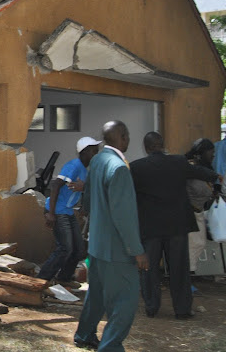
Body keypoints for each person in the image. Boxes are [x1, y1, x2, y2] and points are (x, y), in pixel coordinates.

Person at [74, 121, 148, 351]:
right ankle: (110, 346)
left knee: (96, 294)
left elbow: (87, 199)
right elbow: (123, 215)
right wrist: (137, 250)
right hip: (117, 250)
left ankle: (85, 334)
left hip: (96, 245)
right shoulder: (118, 168)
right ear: (124, 137)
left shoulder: (97, 160)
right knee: (125, 302)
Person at [130, 132, 218, 320]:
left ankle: (152, 307)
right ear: (162, 144)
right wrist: (215, 174)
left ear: (146, 148)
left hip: (150, 227)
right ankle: (182, 310)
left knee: (150, 269)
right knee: (179, 269)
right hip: (177, 226)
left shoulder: (136, 167)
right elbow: (203, 173)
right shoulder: (178, 162)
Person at [37, 137, 101, 287]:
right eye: (94, 150)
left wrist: (83, 204)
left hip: (67, 211)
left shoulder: (84, 170)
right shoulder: (74, 165)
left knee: (78, 249)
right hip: (58, 211)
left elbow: (79, 189)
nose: (96, 153)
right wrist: (51, 213)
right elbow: (55, 185)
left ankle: (64, 278)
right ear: (85, 152)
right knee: (65, 248)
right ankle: (41, 279)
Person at [185, 138, 220, 272]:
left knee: (198, 244)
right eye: (211, 152)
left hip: (198, 212)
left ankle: (187, 276)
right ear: (202, 152)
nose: (213, 155)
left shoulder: (203, 169)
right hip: (189, 213)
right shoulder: (191, 167)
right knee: (193, 245)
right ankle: (186, 279)